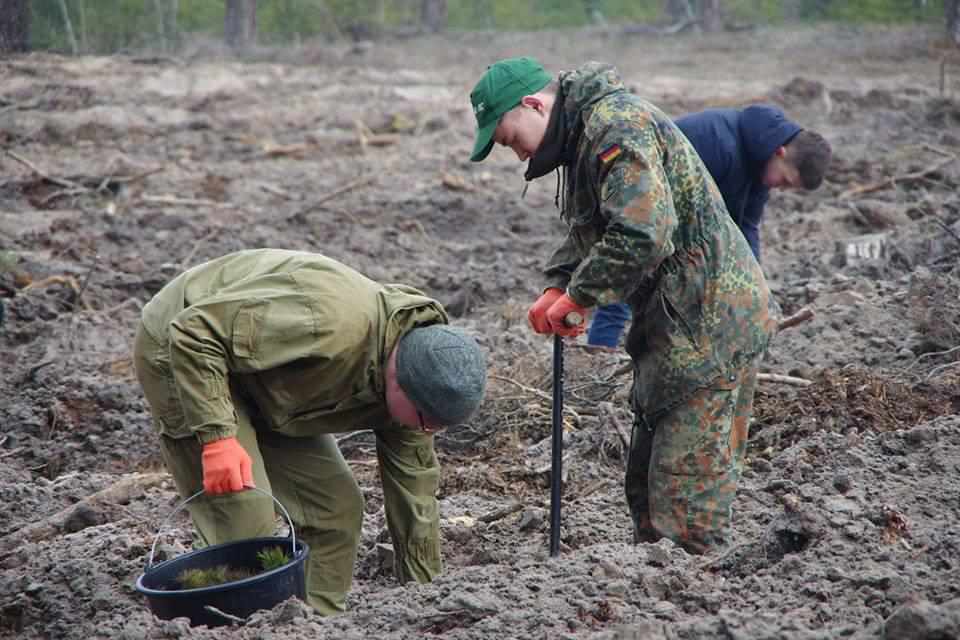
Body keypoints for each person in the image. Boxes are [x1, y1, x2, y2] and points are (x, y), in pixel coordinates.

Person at [469, 57, 778, 553]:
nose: (514, 152)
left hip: (711, 327)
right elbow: (593, 228)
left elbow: (642, 232)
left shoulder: (616, 126)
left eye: (508, 138)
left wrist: (580, 296)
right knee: (645, 494)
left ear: (532, 105)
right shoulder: (582, 139)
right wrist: (559, 283)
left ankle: (694, 607)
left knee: (683, 509)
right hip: (673, 329)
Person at [132, 248, 487, 615]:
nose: (427, 430)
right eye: (426, 420)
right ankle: (239, 623)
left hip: (266, 379)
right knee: (245, 521)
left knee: (334, 512)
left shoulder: (420, 386)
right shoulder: (329, 324)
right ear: (399, 379)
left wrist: (425, 598)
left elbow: (415, 499)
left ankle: (311, 621)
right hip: (183, 346)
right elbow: (194, 332)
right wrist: (218, 436)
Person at [587, 104, 832, 349]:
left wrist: (754, 285)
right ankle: (599, 356)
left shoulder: (760, 167)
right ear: (780, 152)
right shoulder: (718, 142)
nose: (781, 188)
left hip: (680, 219)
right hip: (642, 204)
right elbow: (666, 204)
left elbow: (746, 227)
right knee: (628, 280)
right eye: (786, 181)